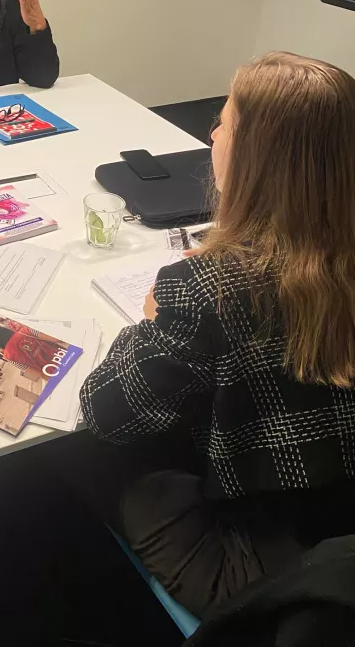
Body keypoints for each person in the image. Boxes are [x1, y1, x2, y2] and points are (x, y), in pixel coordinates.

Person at [73, 52, 355, 618]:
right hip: (338, 525)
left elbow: (103, 410)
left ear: (255, 156)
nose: (212, 131)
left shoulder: (208, 291)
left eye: (224, 120)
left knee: (87, 453)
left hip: (266, 571)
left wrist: (152, 320)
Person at [0, 323, 66, 381]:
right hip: (66, 356)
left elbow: (37, 373)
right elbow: (56, 339)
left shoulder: (9, 357)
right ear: (2, 329)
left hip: (56, 373)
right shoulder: (27, 331)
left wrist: (55, 381)